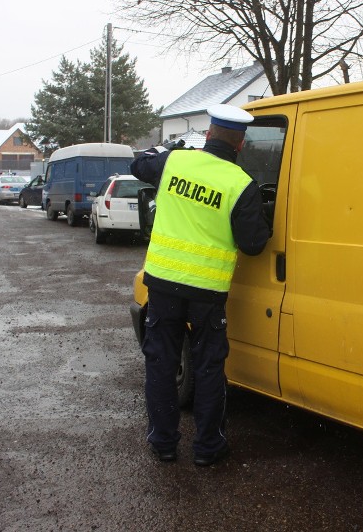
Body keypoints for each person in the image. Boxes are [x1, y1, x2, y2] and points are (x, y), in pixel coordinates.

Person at [130, 104, 271, 466]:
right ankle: (208, 449)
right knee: (209, 368)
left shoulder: (175, 163)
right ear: (240, 145)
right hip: (207, 294)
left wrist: (165, 149)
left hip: (162, 287)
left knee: (161, 364)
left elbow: (138, 164)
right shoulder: (241, 184)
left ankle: (163, 444)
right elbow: (254, 244)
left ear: (208, 135)